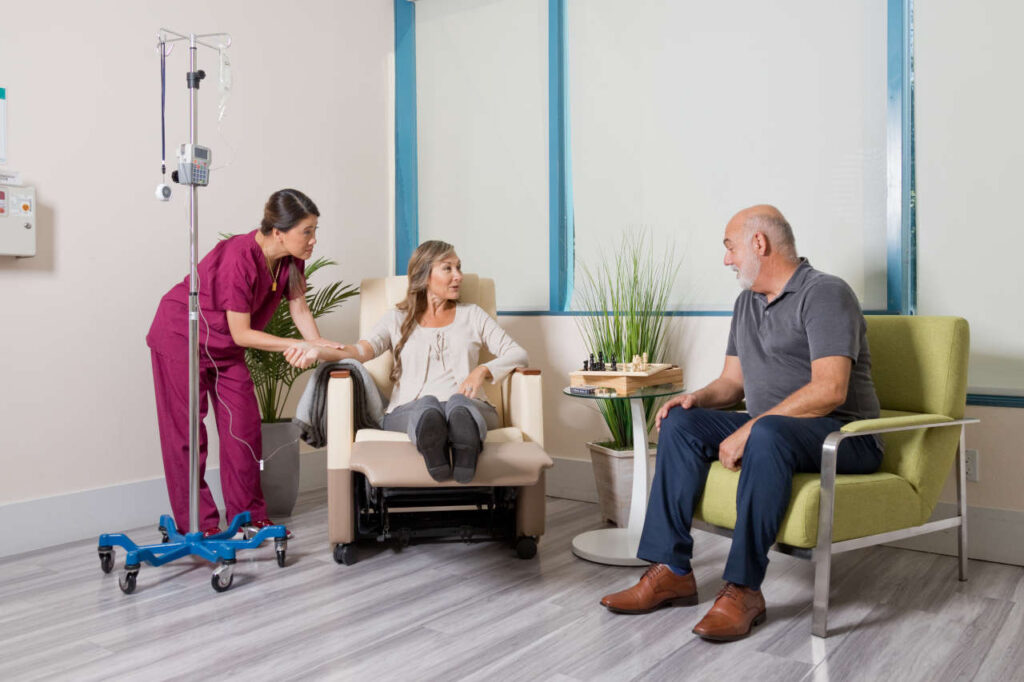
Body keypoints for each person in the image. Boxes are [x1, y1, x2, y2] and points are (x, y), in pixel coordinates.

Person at [599, 205, 884, 642]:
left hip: (843, 436)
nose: (727, 259)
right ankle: (672, 570)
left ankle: (744, 590)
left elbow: (831, 390)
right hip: (776, 429)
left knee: (765, 431)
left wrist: (751, 428)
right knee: (681, 422)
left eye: (730, 247)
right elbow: (732, 384)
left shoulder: (825, 293)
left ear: (759, 243)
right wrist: (695, 398)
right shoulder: (746, 303)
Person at [147, 188, 342, 537]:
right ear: (278, 231)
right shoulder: (239, 256)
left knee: (245, 430)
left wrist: (317, 345)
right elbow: (241, 333)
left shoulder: (290, 260)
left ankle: (249, 519)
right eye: (307, 231)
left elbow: (298, 306)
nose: (314, 240)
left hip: (223, 350)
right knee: (187, 435)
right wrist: (296, 344)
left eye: (314, 230)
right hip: (180, 339)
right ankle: (198, 526)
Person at [326, 240, 528, 482]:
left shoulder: (472, 315)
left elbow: (519, 354)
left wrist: (482, 370)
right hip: (409, 410)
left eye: (459, 268)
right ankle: (434, 449)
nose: (459, 276)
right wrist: (324, 349)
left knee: (458, 405)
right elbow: (361, 351)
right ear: (424, 275)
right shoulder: (396, 319)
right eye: (448, 268)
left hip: (471, 406)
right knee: (428, 405)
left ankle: (467, 448)